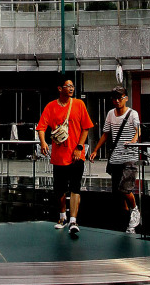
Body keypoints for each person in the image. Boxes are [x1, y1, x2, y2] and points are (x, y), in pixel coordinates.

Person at [37, 76, 93, 237]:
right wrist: (43, 142)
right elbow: (41, 127)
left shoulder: (79, 104)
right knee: (59, 190)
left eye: (72, 86)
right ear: (59, 88)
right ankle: (62, 217)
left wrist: (79, 147)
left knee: (75, 188)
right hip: (59, 156)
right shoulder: (51, 106)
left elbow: (86, 128)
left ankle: (73, 221)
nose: (71, 88)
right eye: (67, 86)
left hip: (76, 155)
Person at [90, 85, 141, 232]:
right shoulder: (111, 114)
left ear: (126, 98)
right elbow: (106, 133)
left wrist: (133, 141)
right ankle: (126, 217)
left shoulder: (133, 114)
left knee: (125, 188)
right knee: (118, 191)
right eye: (115, 98)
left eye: (120, 98)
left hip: (129, 156)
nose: (118, 101)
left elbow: (139, 130)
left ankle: (135, 210)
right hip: (116, 157)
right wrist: (95, 150)